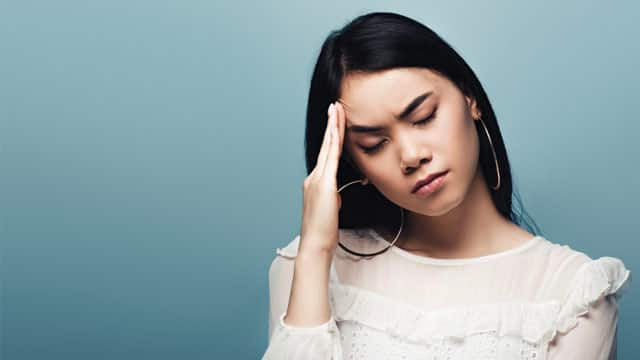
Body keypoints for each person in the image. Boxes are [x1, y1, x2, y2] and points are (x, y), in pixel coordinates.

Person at [261, 11, 631, 360]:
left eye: (423, 117)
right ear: (353, 162)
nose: (411, 155)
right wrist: (315, 250)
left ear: (469, 98)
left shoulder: (573, 295)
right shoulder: (308, 267)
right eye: (374, 144)